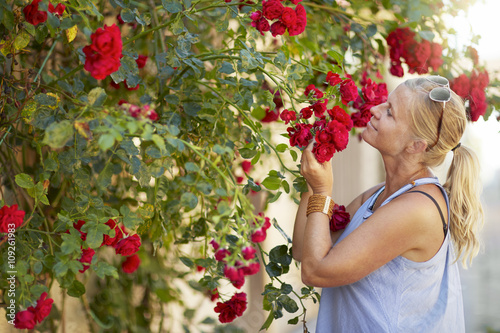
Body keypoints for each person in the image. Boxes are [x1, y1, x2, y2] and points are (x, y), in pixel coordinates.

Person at [292, 76, 484, 332]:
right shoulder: (378, 196)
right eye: (386, 103)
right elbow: (304, 250)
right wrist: (312, 182)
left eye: (390, 112)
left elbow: (315, 271)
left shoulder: (418, 209)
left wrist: (322, 190)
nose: (374, 109)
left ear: (415, 146)